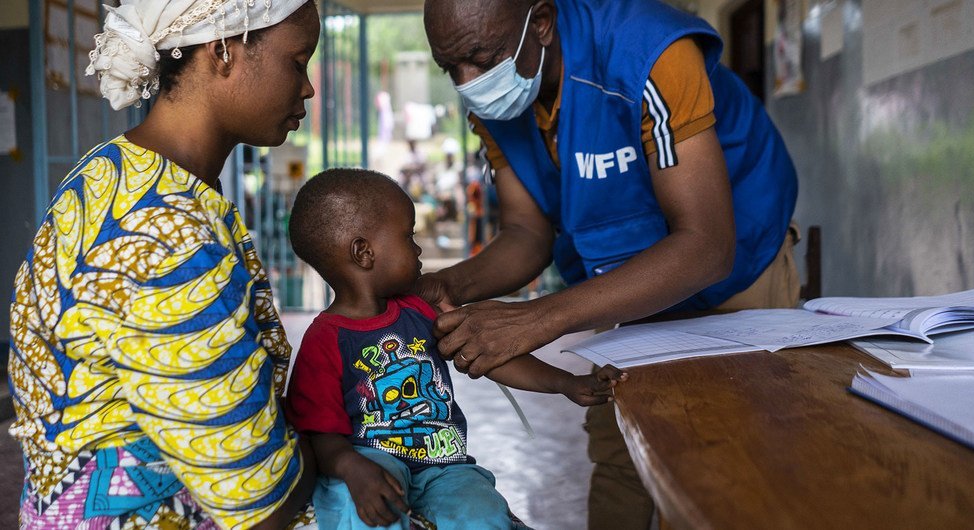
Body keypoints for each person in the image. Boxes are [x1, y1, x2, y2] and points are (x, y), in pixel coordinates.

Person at [420, 0, 800, 528]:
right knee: (620, 451)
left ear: (543, 23)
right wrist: (446, 284)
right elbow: (526, 233)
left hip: (738, 274)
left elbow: (708, 246)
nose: (468, 81)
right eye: (449, 65)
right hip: (623, 280)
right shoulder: (497, 101)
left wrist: (537, 318)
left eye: (480, 59)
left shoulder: (648, 54)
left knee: (729, 462)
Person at [7, 1, 321, 528]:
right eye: (298, 61)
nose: (308, 87)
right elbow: (259, 502)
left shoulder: (112, 171)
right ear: (223, 50)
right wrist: (332, 449)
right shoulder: (160, 230)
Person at [283, 168, 627, 529]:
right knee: (361, 512)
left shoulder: (420, 310)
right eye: (408, 236)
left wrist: (565, 383)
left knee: (483, 515)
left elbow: (490, 357)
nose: (417, 248)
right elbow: (319, 431)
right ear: (364, 252)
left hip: (443, 465)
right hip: (372, 463)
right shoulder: (324, 341)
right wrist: (351, 468)